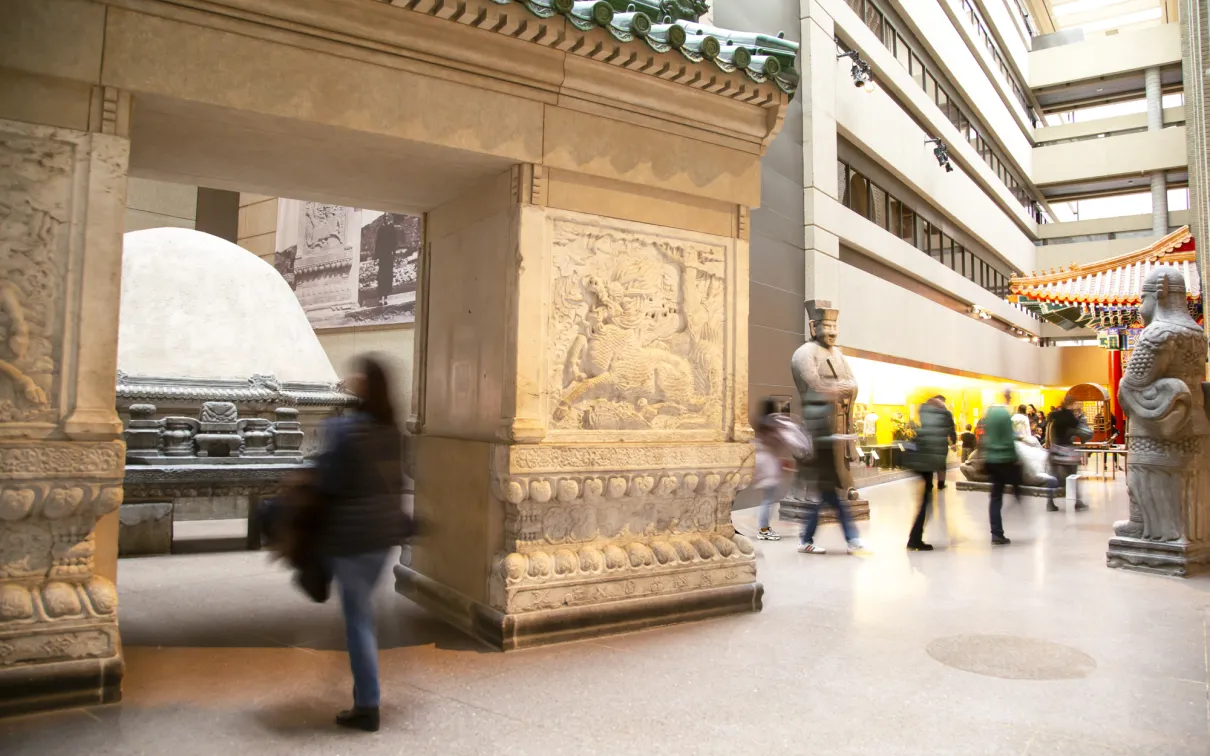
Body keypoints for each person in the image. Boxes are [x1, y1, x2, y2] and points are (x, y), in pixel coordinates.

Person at [317, 355, 411, 732]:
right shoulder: (393, 431)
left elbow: (328, 482)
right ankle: (366, 695)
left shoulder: (346, 430)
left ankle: (367, 704)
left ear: (366, 384)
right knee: (363, 613)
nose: (350, 377)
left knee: (358, 621)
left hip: (352, 536)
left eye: (358, 373)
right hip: (382, 536)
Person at [797, 387, 864, 555]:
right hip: (823, 473)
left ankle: (807, 540)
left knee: (826, 507)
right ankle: (852, 540)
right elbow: (820, 445)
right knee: (838, 508)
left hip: (823, 473)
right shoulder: (817, 417)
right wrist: (839, 438)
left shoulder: (816, 417)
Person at [749, 398, 810, 541]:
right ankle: (763, 529)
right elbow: (789, 438)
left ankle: (763, 526)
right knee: (768, 498)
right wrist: (802, 448)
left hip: (762, 461)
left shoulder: (761, 422)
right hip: (767, 463)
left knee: (768, 497)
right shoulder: (774, 422)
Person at [905, 396, 951, 551]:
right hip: (926, 465)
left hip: (923, 465)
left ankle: (915, 538)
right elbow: (935, 444)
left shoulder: (926, 416)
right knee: (925, 503)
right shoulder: (939, 419)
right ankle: (914, 539)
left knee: (925, 502)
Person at [982, 390, 1019, 546]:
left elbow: (985, 439)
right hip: (1005, 460)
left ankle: (996, 533)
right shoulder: (1005, 417)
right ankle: (1018, 495)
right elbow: (1010, 440)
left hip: (992, 460)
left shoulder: (989, 418)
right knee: (1012, 486)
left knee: (995, 497)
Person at [1046, 397, 1089, 512]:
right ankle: (1078, 502)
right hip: (1067, 451)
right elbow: (1081, 430)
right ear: (1071, 404)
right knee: (1073, 476)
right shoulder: (1070, 417)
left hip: (1054, 449)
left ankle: (1049, 502)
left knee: (1053, 477)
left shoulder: (1054, 415)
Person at [375, 215, 398, 307]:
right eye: (384, 218)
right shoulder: (381, 229)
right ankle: (381, 298)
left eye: (387, 218)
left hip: (389, 256)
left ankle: (386, 297)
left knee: (388, 276)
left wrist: (393, 253)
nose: (386, 220)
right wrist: (376, 255)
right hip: (382, 257)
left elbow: (394, 242)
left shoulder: (392, 228)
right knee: (381, 276)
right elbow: (378, 242)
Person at [934, 398, 957, 490]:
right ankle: (941, 483)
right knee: (941, 463)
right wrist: (953, 442)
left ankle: (929, 484)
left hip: (931, 441)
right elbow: (951, 429)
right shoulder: (946, 413)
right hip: (941, 442)